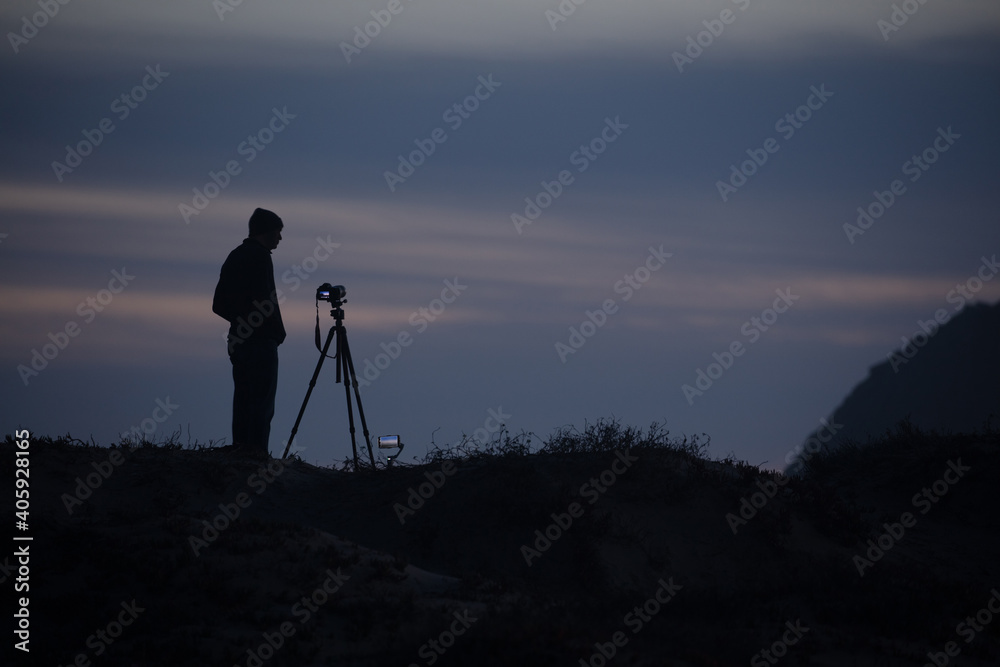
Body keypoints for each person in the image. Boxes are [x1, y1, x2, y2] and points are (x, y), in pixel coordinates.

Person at [212, 208, 286, 455]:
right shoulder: (261, 257)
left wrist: (241, 322)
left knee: (243, 399)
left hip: (239, 341)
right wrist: (273, 330)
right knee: (262, 403)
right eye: (278, 232)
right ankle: (255, 453)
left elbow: (218, 304)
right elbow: (266, 301)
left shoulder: (236, 255)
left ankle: (241, 450)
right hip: (260, 343)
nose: (280, 238)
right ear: (268, 230)